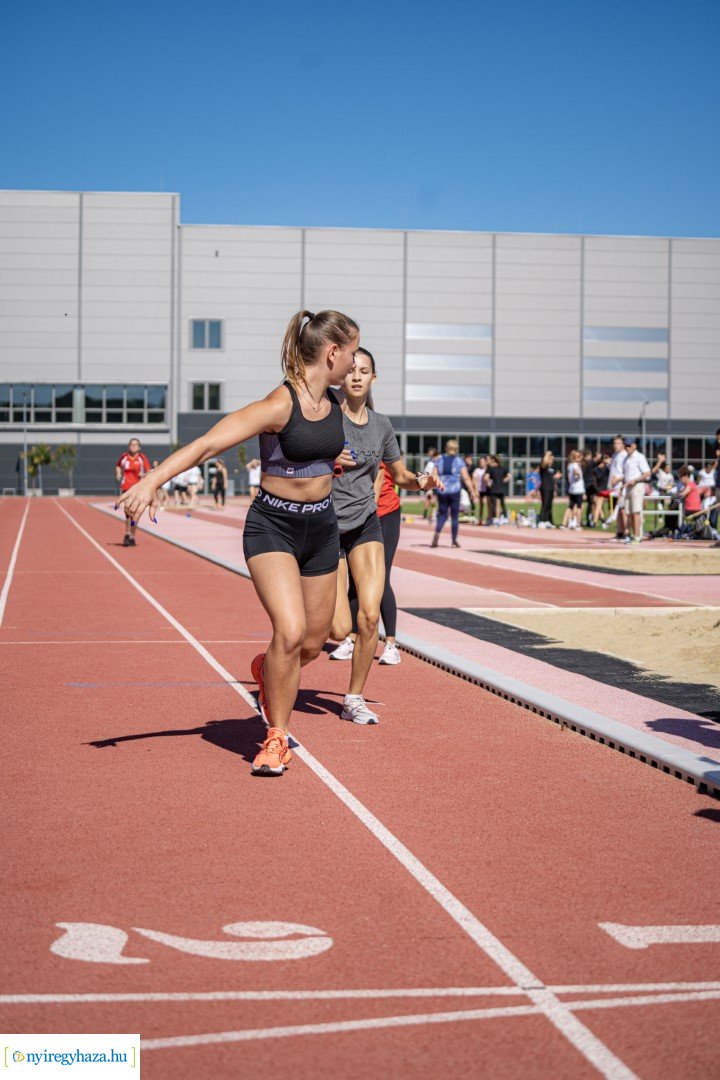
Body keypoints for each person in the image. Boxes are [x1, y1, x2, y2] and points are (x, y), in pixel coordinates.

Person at [118, 309, 359, 776]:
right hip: (274, 528)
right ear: (332, 352)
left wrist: (334, 458)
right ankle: (275, 738)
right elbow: (208, 444)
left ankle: (268, 670)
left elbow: (319, 447)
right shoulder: (277, 405)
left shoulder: (334, 403)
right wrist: (152, 481)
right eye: (351, 353)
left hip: (321, 529)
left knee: (313, 644)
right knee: (288, 633)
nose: (354, 363)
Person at [329, 348, 441, 722]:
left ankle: (353, 699)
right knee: (336, 627)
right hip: (328, 527)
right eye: (352, 370)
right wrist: (327, 463)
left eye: (365, 371)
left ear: (373, 378)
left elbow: (401, 475)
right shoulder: (325, 418)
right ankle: (277, 667)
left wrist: (423, 480)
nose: (357, 377)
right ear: (341, 375)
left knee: (368, 617)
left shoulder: (381, 425)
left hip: (366, 524)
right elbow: (299, 462)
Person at [331, 458, 404, 667]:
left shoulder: (373, 433)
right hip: (355, 515)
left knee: (380, 578)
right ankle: (352, 638)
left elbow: (379, 477)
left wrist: (366, 511)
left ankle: (391, 643)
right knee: (356, 581)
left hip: (383, 512)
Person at [430, 439, 476, 547]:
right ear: (456, 449)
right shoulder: (459, 461)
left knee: (442, 515)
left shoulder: (439, 459)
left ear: (446, 448)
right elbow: (466, 478)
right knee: (454, 516)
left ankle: (437, 533)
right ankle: (454, 541)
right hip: (455, 490)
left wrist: (431, 490)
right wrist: (472, 491)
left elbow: (433, 476)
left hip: (442, 490)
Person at [115, 438, 151, 546]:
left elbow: (148, 471)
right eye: (132, 444)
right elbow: (117, 466)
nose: (133, 446)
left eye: (136, 445)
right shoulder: (124, 456)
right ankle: (127, 533)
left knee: (135, 514)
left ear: (139, 447)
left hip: (138, 488)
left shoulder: (142, 457)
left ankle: (132, 535)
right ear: (129, 446)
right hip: (126, 487)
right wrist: (118, 473)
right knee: (127, 512)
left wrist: (143, 475)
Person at [621, 436, 651, 543]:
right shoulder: (626, 458)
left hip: (637, 486)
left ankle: (637, 536)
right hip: (628, 487)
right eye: (626, 446)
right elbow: (625, 475)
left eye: (629, 445)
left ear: (634, 445)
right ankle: (629, 535)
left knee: (636, 512)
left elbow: (647, 473)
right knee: (628, 512)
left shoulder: (639, 457)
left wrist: (635, 480)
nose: (627, 448)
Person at [607, 435, 628, 539]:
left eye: (618, 443)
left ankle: (626, 532)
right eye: (614, 443)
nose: (615, 445)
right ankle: (619, 531)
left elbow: (627, 473)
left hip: (621, 486)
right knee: (619, 510)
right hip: (614, 487)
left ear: (623, 445)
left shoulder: (624, 455)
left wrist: (618, 480)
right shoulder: (615, 455)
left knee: (622, 509)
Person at [486, 454, 510, 525]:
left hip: (498, 488)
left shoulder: (501, 468)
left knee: (500, 504)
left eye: (493, 461)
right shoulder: (492, 469)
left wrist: (503, 481)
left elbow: (509, 476)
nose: (492, 462)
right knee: (497, 504)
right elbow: (486, 477)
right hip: (496, 488)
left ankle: (502, 518)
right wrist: (489, 482)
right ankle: (497, 519)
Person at [537, 451, 560, 527]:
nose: (551, 459)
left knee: (550, 505)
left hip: (551, 488)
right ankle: (541, 520)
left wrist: (555, 489)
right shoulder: (543, 466)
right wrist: (547, 454)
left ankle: (548, 520)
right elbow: (545, 461)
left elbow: (552, 479)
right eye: (549, 458)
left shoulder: (552, 469)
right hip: (545, 487)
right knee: (545, 504)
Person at [421, 446, 438, 522]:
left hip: (431, 482)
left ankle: (434, 512)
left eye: (431, 453)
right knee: (428, 498)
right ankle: (426, 513)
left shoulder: (434, 463)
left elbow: (432, 473)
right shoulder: (430, 462)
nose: (430, 454)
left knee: (430, 497)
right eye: (429, 453)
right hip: (428, 482)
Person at [581, 449, 597, 526]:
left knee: (590, 504)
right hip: (588, 486)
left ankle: (587, 519)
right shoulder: (587, 464)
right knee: (589, 503)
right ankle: (586, 519)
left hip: (589, 486)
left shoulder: (585, 464)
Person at [473, 455, 490, 524]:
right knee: (481, 505)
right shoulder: (477, 470)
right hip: (480, 489)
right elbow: (475, 480)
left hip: (487, 489)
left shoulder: (488, 469)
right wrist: (476, 490)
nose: (482, 463)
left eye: (483, 462)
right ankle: (480, 519)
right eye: (481, 462)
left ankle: (489, 518)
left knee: (489, 504)